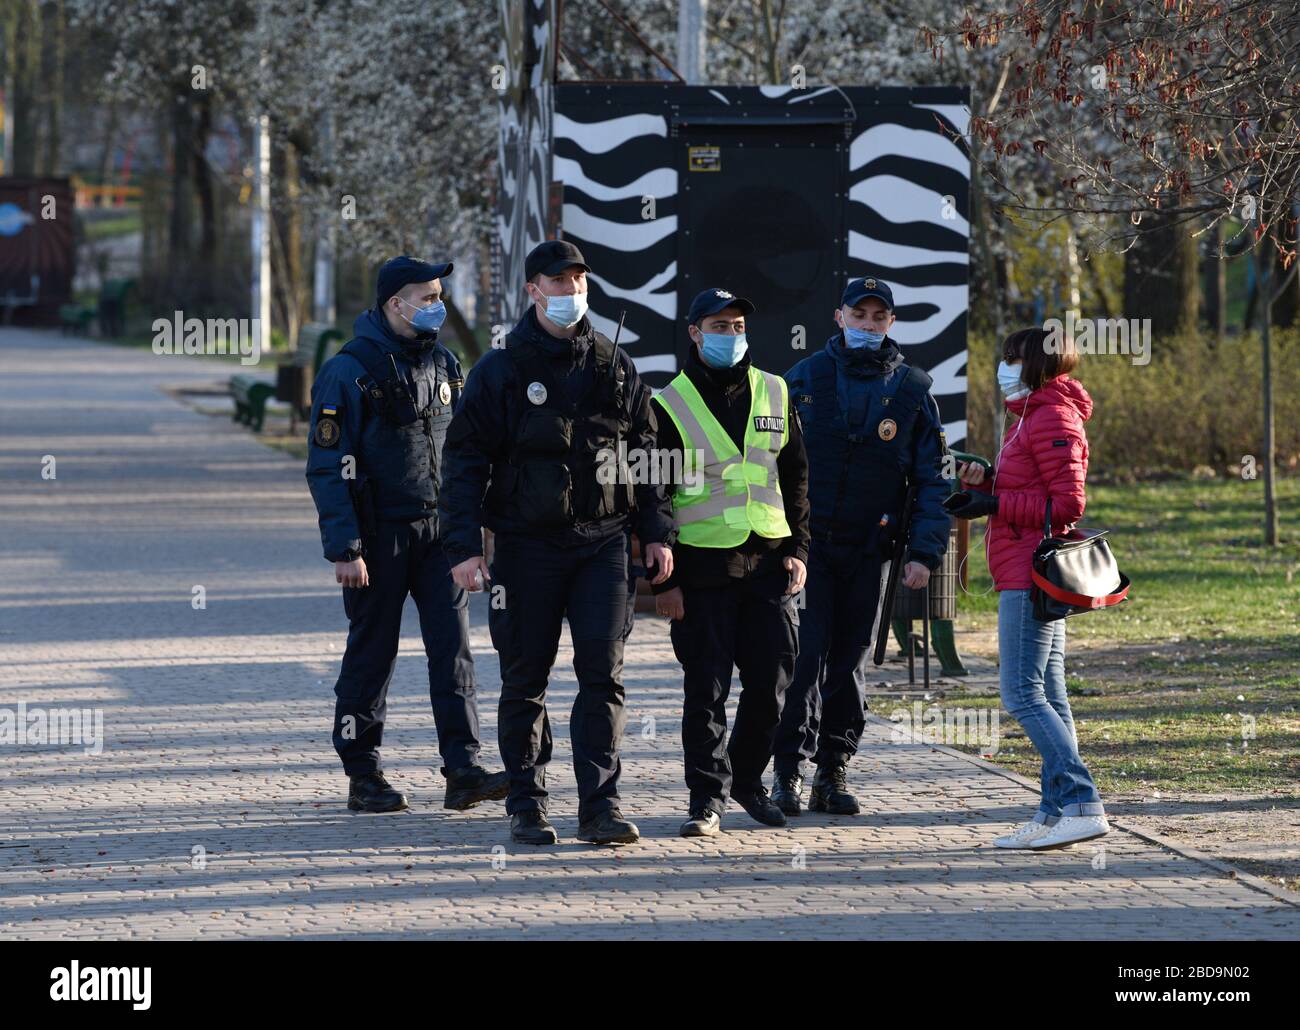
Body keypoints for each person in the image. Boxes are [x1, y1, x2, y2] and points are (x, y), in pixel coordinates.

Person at [438, 239, 675, 846]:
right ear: (533, 291)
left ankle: (600, 806)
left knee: (604, 675)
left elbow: (647, 452)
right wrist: (465, 547)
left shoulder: (614, 363)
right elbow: (464, 462)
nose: (571, 292)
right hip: (526, 547)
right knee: (525, 676)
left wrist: (657, 531)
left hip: (604, 545)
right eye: (559, 282)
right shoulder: (501, 369)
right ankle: (526, 801)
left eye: (578, 282)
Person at [305, 256, 508, 814]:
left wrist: (475, 530)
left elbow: (467, 455)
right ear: (395, 303)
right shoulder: (349, 370)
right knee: (373, 653)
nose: (437, 304)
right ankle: (363, 772)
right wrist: (344, 547)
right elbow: (327, 464)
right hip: (377, 538)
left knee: (454, 652)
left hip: (440, 536)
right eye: (426, 296)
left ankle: (463, 769)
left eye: (439, 294)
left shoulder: (444, 363)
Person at [769, 277, 950, 816]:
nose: (868, 325)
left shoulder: (914, 390)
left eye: (879, 316)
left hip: (871, 550)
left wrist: (924, 552)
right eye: (860, 314)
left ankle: (832, 770)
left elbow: (934, 480)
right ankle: (787, 774)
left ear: (891, 322)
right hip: (805, 549)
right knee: (801, 660)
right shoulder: (801, 380)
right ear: (839, 316)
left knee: (849, 663)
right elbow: (768, 466)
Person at [651, 288, 810, 836]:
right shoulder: (667, 403)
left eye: (738, 325)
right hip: (701, 570)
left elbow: (795, 477)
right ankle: (706, 798)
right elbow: (654, 496)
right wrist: (660, 584)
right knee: (707, 691)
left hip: (768, 561)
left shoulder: (775, 388)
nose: (731, 335)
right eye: (719, 326)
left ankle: (746, 778)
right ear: (694, 332)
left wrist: (799, 549)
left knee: (773, 684)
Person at [947, 326, 1110, 850]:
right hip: (1020, 564)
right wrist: (987, 481)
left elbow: (1067, 507)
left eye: (1013, 358)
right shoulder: (1029, 417)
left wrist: (993, 505)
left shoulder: (1052, 417)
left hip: (1030, 570)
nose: (1004, 366)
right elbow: (1031, 488)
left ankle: (1084, 802)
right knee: (1052, 695)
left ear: (1038, 364)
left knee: (1021, 693)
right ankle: (1053, 811)